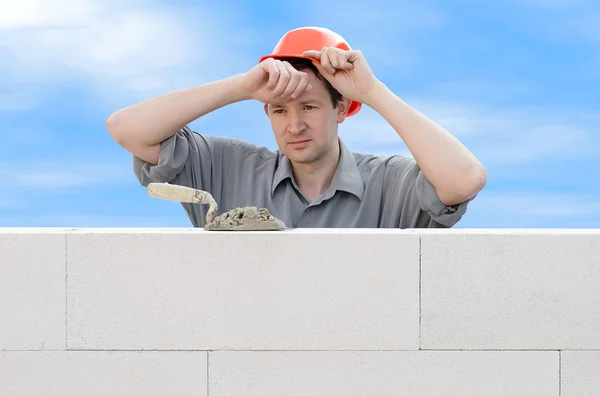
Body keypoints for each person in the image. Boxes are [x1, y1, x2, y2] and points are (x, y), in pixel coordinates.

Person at [106, 26, 487, 228]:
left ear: (342, 110)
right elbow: (126, 129)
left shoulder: (390, 183)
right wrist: (241, 86)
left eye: (309, 106)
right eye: (279, 111)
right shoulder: (229, 168)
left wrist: (372, 91)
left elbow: (465, 179)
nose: (295, 125)